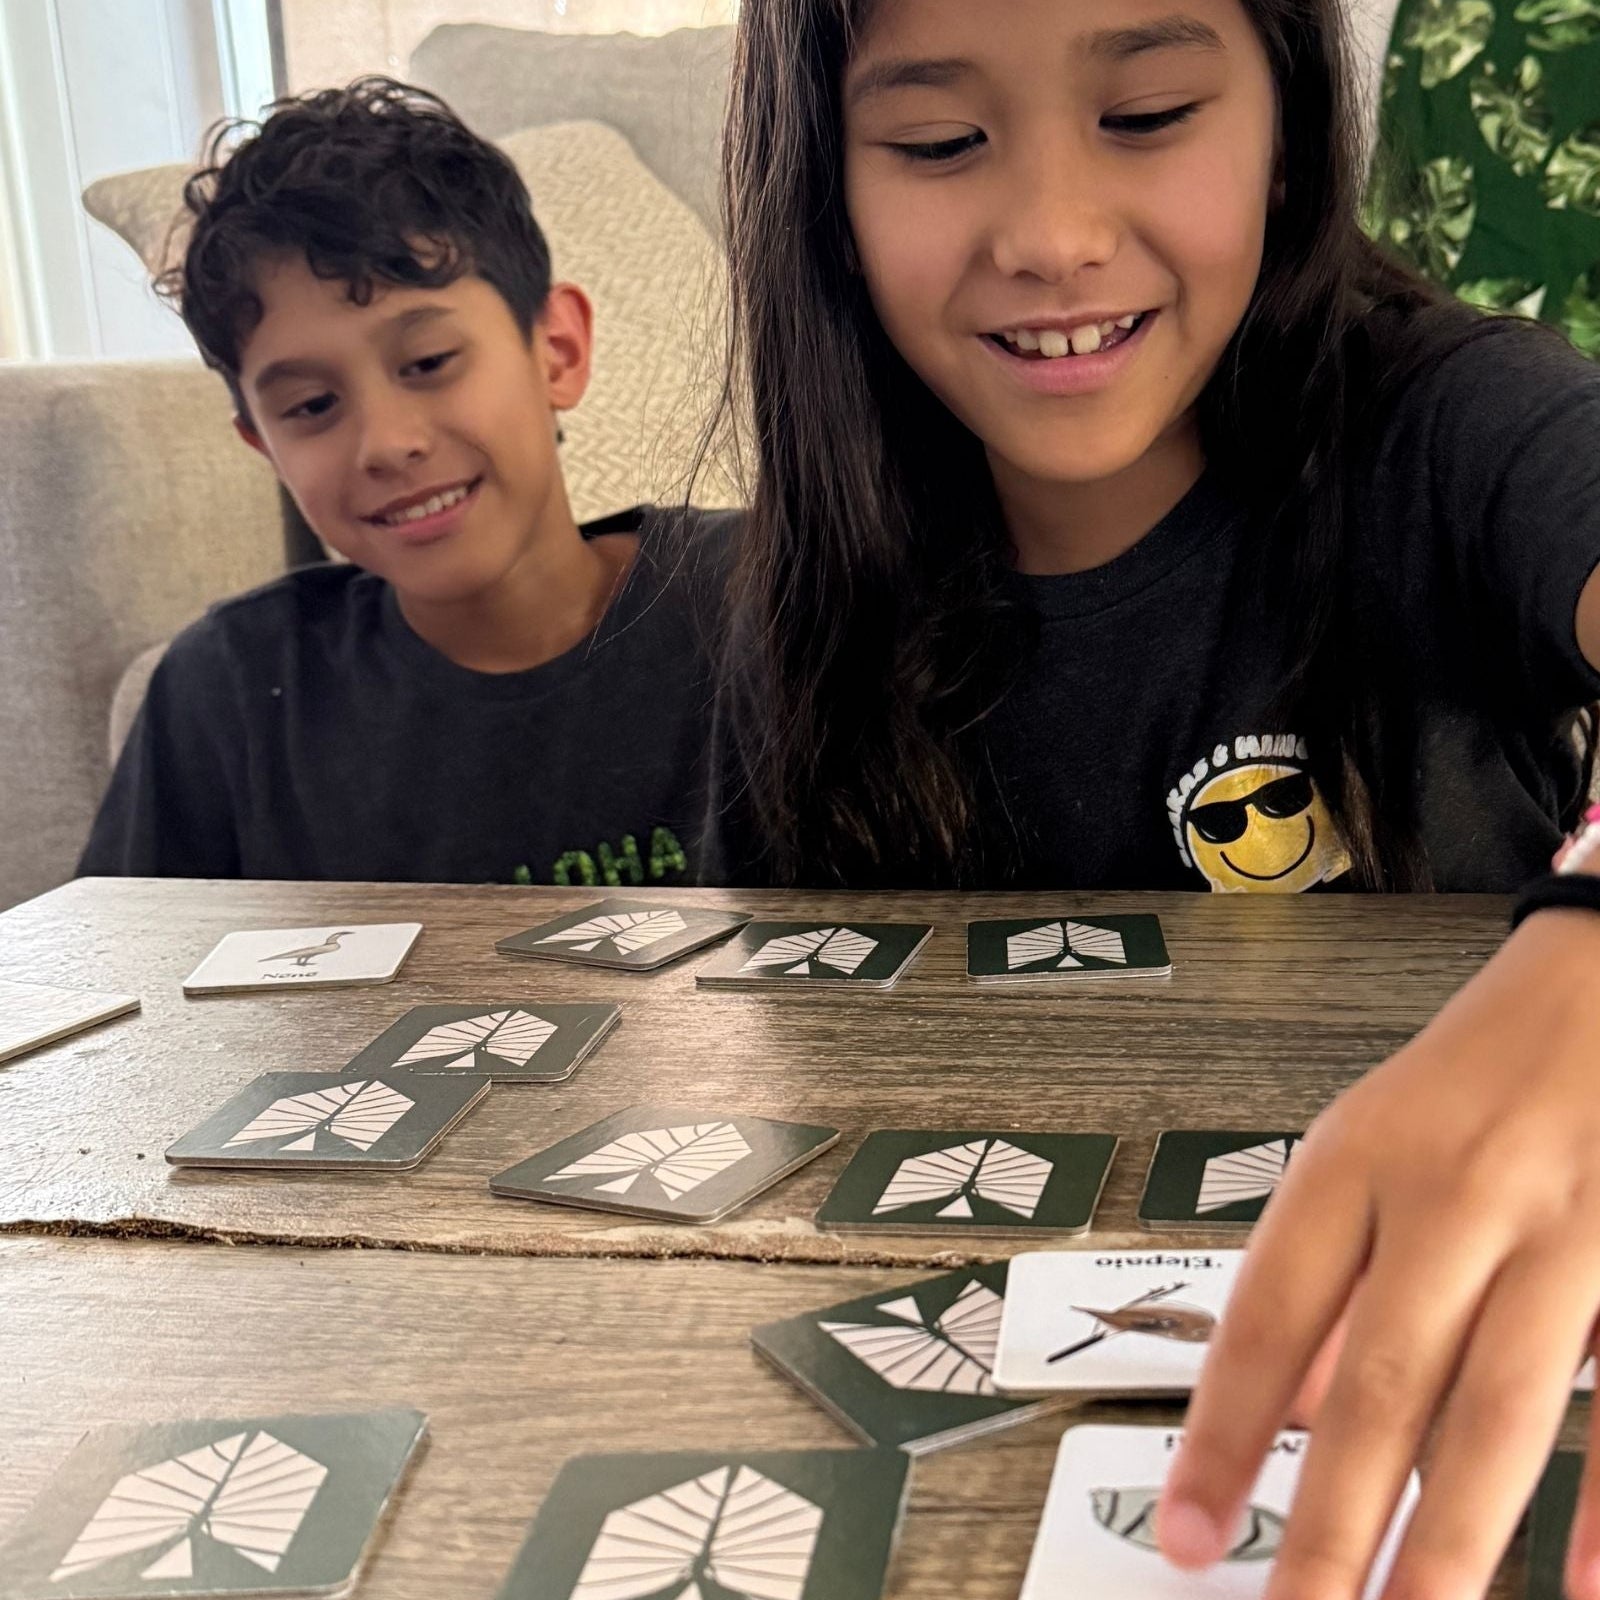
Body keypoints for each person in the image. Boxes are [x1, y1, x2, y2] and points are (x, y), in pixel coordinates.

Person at [712, 2, 1600, 1595]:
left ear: (1289, 134)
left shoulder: (1460, 422)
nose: (1053, 237)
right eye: (938, 143)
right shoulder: (812, 593)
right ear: (827, 194)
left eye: (1149, 114)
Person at [79, 78, 731, 889]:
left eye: (428, 362)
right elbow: (112, 959)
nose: (387, 444)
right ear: (264, 447)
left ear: (557, 351)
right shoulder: (229, 694)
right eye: (312, 406)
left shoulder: (779, 599)